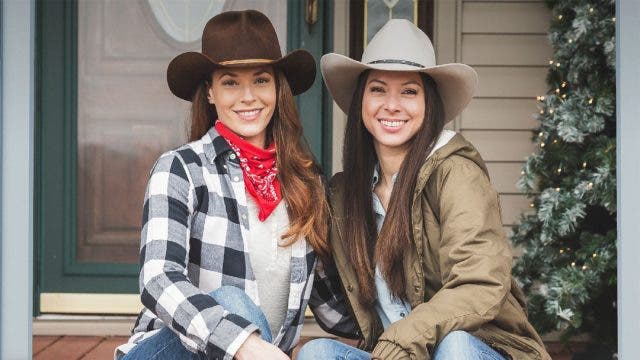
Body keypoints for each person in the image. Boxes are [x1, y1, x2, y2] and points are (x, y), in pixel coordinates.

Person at [299, 19, 552, 360]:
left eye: (408, 91)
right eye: (377, 89)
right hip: (397, 353)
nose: (392, 104)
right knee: (317, 353)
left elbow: (480, 282)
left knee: (456, 346)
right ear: (361, 100)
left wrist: (403, 339)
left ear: (428, 103)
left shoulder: (456, 173)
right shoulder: (345, 194)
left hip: (480, 349)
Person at [115, 10, 355, 360]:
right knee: (232, 301)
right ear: (210, 92)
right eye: (230, 82)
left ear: (277, 89)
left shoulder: (306, 184)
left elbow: (332, 306)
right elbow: (158, 279)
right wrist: (243, 342)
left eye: (260, 80)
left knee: (320, 352)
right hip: (170, 354)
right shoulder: (182, 169)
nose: (248, 96)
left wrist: (411, 327)